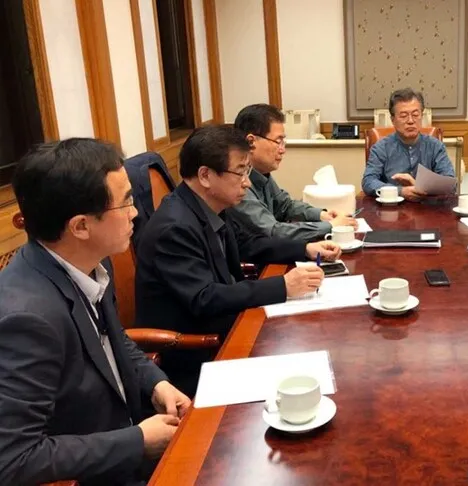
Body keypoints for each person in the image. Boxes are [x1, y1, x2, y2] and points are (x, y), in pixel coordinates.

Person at [0, 139, 189, 486]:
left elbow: (114, 340)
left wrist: (156, 384)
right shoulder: (26, 319)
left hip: (131, 447)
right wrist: (138, 441)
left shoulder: (89, 262)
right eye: (126, 202)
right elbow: (13, 457)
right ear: (81, 226)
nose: (136, 211)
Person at [135, 125, 340, 395]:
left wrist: (305, 249)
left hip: (230, 328)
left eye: (248, 171)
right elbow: (204, 297)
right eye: (241, 172)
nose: (247, 182)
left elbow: (249, 245)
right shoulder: (174, 228)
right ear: (206, 175)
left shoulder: (209, 205)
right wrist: (283, 286)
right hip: (197, 356)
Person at [230, 103, 357, 242]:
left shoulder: (261, 173)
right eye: (278, 141)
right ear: (251, 142)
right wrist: (331, 226)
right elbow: (272, 231)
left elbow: (285, 206)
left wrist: (322, 215)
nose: (282, 149)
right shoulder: (236, 181)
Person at [361, 88, 455, 200]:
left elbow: (450, 184)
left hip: (428, 209)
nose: (410, 121)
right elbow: (368, 182)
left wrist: (419, 187)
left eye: (415, 114)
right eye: (403, 115)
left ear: (421, 116)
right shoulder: (381, 148)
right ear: (393, 120)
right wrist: (400, 191)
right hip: (391, 209)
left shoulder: (435, 146)